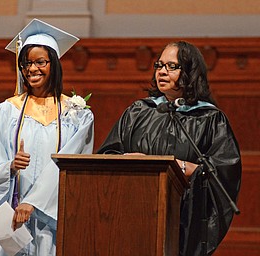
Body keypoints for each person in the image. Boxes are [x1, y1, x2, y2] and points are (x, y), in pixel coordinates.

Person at [97, 41, 241, 255]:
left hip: (182, 218)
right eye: (159, 65)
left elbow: (223, 171)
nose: (162, 71)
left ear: (190, 72)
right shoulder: (138, 112)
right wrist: (129, 161)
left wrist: (178, 166)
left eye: (171, 66)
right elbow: (106, 156)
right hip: (133, 214)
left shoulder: (209, 118)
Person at [0, 18, 94, 256]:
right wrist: (9, 166)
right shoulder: (6, 111)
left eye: (40, 62)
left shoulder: (76, 115)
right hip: (13, 220)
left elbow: (71, 165)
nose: (32, 69)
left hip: (53, 219)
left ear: (54, 64)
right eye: (26, 63)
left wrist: (35, 202)